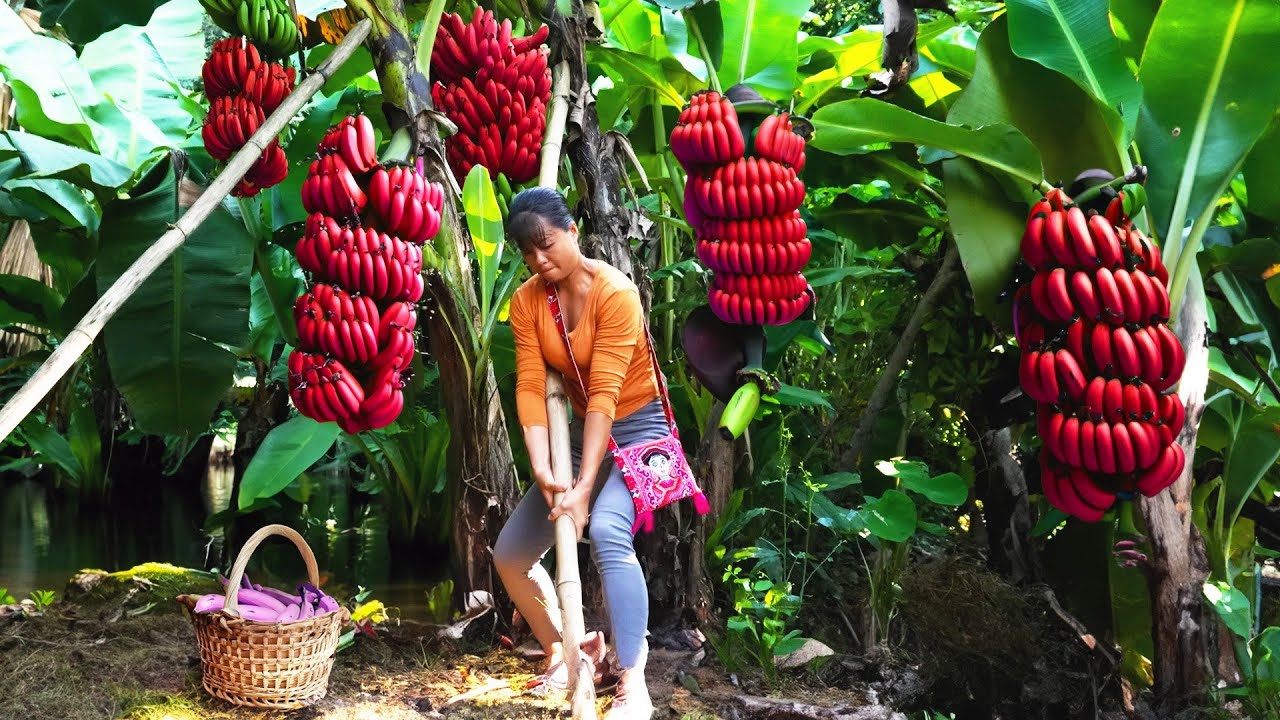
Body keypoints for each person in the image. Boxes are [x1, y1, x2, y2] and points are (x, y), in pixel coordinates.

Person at [493, 187, 665, 719]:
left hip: (641, 430)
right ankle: (566, 651)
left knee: (609, 530)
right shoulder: (527, 301)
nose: (539, 260)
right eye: (528, 253)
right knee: (512, 555)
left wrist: (584, 487)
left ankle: (633, 681)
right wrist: (544, 469)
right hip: (579, 435)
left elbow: (606, 395)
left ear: (573, 231)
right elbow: (529, 386)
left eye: (546, 245)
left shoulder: (616, 293)